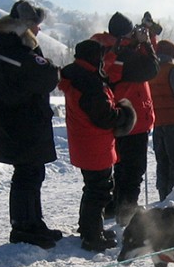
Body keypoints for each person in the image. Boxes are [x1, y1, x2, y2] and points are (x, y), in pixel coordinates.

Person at [0, 0, 62, 249]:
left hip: (18, 122)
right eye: (35, 26)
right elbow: (46, 76)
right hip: (21, 124)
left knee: (32, 174)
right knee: (27, 175)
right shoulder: (14, 51)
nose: (38, 30)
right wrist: (48, 65)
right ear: (24, 26)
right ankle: (23, 226)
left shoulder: (3, 47)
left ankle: (33, 221)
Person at [58, 39, 137, 252]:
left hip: (85, 141)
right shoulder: (89, 83)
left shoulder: (78, 76)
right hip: (95, 143)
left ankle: (90, 229)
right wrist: (125, 112)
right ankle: (92, 236)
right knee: (99, 190)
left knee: (93, 187)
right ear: (95, 58)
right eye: (101, 56)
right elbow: (104, 116)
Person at [91, 12, 159, 222]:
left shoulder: (108, 50)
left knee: (121, 166)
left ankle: (116, 205)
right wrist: (146, 43)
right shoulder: (123, 55)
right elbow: (150, 68)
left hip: (122, 116)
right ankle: (127, 213)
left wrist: (146, 39)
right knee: (133, 169)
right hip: (133, 119)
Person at [148, 39, 174, 201]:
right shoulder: (172, 70)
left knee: (162, 160)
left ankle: (162, 195)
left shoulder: (151, 71)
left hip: (157, 121)